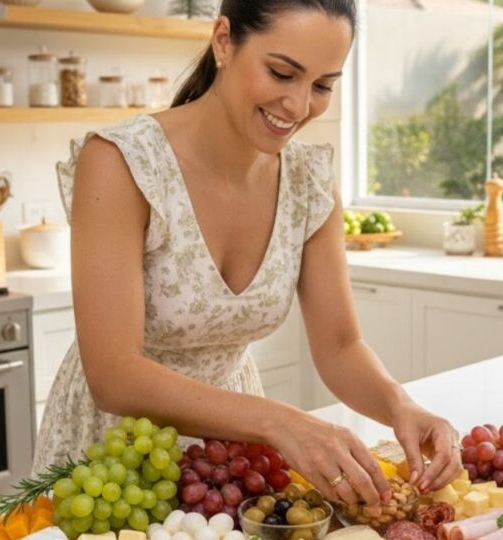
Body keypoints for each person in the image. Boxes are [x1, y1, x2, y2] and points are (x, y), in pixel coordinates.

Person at [35, 0, 462, 506]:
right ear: (223, 41)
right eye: (282, 73)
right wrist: (281, 422)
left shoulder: (308, 180)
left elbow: (341, 346)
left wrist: (401, 407)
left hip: (231, 457)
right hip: (112, 454)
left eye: (323, 86)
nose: (300, 106)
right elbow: (114, 373)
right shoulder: (120, 162)